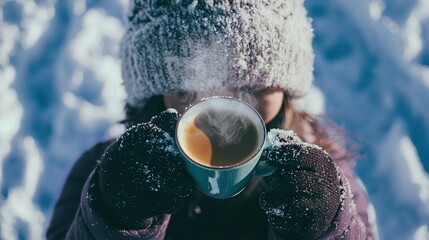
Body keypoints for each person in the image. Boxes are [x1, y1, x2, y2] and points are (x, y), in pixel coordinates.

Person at [46, 0, 377, 239]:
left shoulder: (324, 177)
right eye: (188, 89)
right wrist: (113, 219)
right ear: (153, 93)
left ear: (287, 89)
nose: (226, 108)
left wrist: (328, 227)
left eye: (254, 86)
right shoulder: (106, 175)